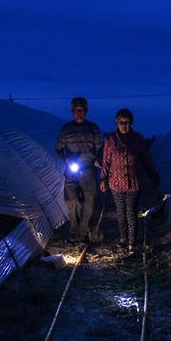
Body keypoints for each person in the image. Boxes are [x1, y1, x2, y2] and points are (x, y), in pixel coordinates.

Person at [100, 108, 160, 253]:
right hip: (116, 182)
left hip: (133, 182)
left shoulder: (137, 139)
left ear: (131, 122)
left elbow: (146, 159)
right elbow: (106, 161)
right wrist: (103, 178)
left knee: (131, 212)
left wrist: (153, 175)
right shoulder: (111, 140)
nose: (124, 125)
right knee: (121, 212)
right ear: (117, 122)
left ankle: (132, 243)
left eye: (127, 122)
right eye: (121, 122)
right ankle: (123, 238)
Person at [55, 97, 103, 242]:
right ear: (72, 111)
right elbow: (58, 148)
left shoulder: (93, 128)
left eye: (82, 110)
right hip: (71, 170)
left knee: (89, 199)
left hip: (88, 169)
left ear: (86, 111)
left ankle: (83, 231)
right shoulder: (66, 129)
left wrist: (98, 159)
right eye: (77, 110)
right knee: (72, 200)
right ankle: (74, 228)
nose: (79, 112)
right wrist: (66, 159)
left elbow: (100, 148)